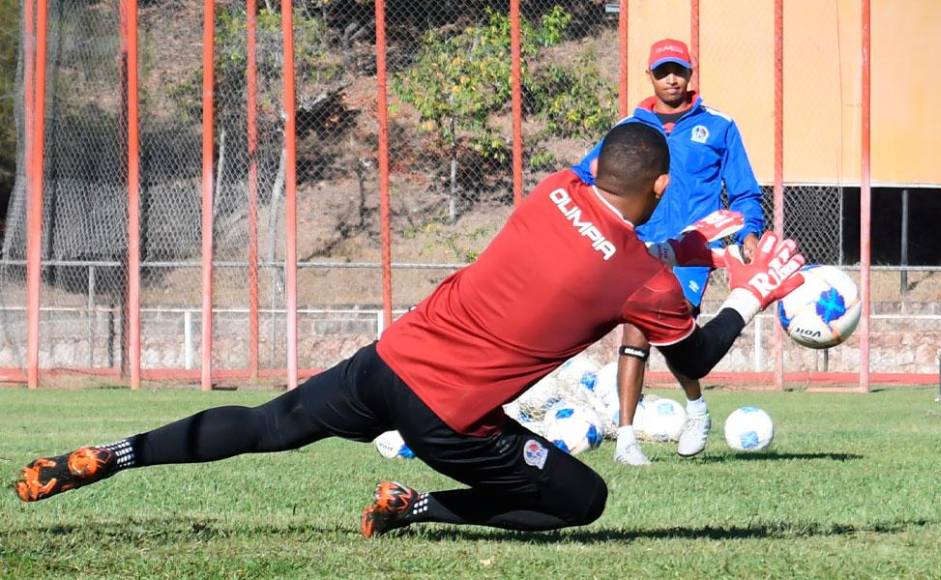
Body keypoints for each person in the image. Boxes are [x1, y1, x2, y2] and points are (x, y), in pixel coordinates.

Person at [15, 124, 802, 538]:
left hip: (390, 359)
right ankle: (421, 506)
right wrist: (756, 290)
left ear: (598, 169)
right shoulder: (645, 281)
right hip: (448, 416)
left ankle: (114, 455)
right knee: (582, 500)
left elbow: (598, 251)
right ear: (661, 186)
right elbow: (693, 350)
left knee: (267, 424)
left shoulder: (555, 189)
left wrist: (678, 243)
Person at [573, 38, 765, 465]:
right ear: (650, 77)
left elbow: (746, 192)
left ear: (691, 74)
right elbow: (584, 175)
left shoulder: (719, 126)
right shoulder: (630, 128)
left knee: (674, 335)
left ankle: (695, 406)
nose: (671, 79)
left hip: (691, 252)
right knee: (635, 330)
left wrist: (749, 231)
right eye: (662, 72)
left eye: (678, 70)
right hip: (636, 247)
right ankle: (626, 440)